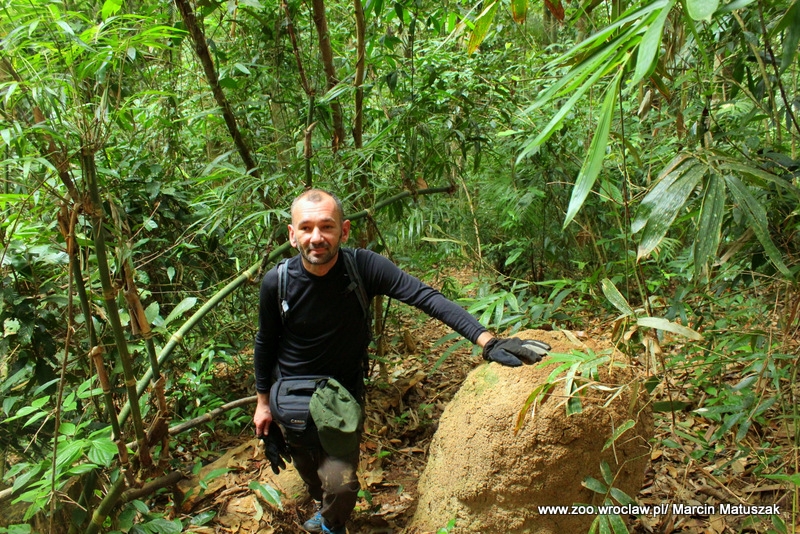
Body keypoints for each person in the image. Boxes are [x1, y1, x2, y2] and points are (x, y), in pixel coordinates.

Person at [253, 189, 550, 534]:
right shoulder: (277, 282)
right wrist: (264, 405)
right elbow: (265, 342)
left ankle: (332, 522)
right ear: (292, 235)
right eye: (305, 228)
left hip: (341, 396)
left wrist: (487, 341)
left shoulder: (362, 267)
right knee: (307, 467)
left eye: (327, 227)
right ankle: (322, 505)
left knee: (341, 482)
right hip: (290, 396)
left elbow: (424, 296)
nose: (316, 238)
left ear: (344, 231)